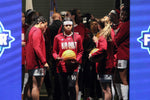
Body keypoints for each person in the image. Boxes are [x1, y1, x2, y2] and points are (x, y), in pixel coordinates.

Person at [52, 19, 83, 100]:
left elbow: (81, 51)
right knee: (64, 89)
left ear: (72, 26)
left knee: (72, 86)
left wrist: (77, 59)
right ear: (63, 26)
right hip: (61, 66)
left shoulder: (78, 37)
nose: (68, 27)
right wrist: (57, 57)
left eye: (70, 25)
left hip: (74, 67)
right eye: (66, 25)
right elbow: (54, 51)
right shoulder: (57, 37)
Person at [89, 16, 115, 100]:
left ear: (99, 26)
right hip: (110, 63)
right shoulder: (111, 33)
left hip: (104, 65)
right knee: (109, 88)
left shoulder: (102, 36)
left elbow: (103, 48)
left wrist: (92, 55)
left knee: (106, 89)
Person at [25, 16, 49, 100]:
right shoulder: (37, 31)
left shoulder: (31, 30)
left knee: (31, 86)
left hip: (31, 63)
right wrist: (44, 61)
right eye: (45, 26)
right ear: (40, 23)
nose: (46, 28)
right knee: (36, 87)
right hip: (37, 64)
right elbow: (37, 47)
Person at [114, 5, 129, 100]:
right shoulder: (122, 24)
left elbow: (117, 39)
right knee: (116, 77)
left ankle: (125, 98)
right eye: (122, 14)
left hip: (123, 54)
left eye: (124, 14)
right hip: (118, 55)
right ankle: (120, 97)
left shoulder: (127, 24)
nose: (122, 16)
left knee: (123, 78)